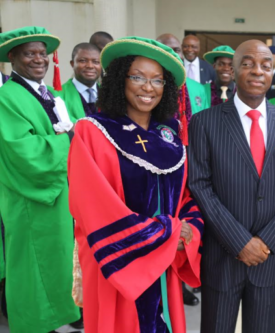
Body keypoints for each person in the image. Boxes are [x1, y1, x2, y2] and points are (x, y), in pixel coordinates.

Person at [68, 36, 203, 333]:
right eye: (138, 77)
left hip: (163, 260)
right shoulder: (92, 131)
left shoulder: (170, 135)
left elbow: (184, 195)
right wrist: (166, 231)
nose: (148, 87)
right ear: (119, 79)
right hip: (116, 262)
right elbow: (94, 208)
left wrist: (190, 226)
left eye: (157, 81)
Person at [189, 40, 275, 333]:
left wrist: (267, 240)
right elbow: (199, 184)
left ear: (273, 73)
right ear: (232, 69)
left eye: (265, 66)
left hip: (270, 258)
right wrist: (240, 241)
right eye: (248, 64)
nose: (257, 71)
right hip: (223, 256)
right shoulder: (204, 122)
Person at [0, 26, 80, 333]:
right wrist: (69, 140)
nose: (39, 59)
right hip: (30, 198)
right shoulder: (7, 97)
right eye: (29, 53)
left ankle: (49, 324)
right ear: (12, 57)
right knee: (32, 269)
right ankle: (32, 326)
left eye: (42, 53)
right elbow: (23, 151)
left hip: (58, 195)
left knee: (56, 264)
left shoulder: (46, 93)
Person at [157, 33, 209, 121]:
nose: (172, 55)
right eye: (166, 50)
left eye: (176, 50)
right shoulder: (148, 87)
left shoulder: (199, 88)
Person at [60, 43, 101, 120]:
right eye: (83, 61)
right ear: (72, 64)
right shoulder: (59, 95)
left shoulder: (110, 93)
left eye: (95, 62)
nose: (90, 66)